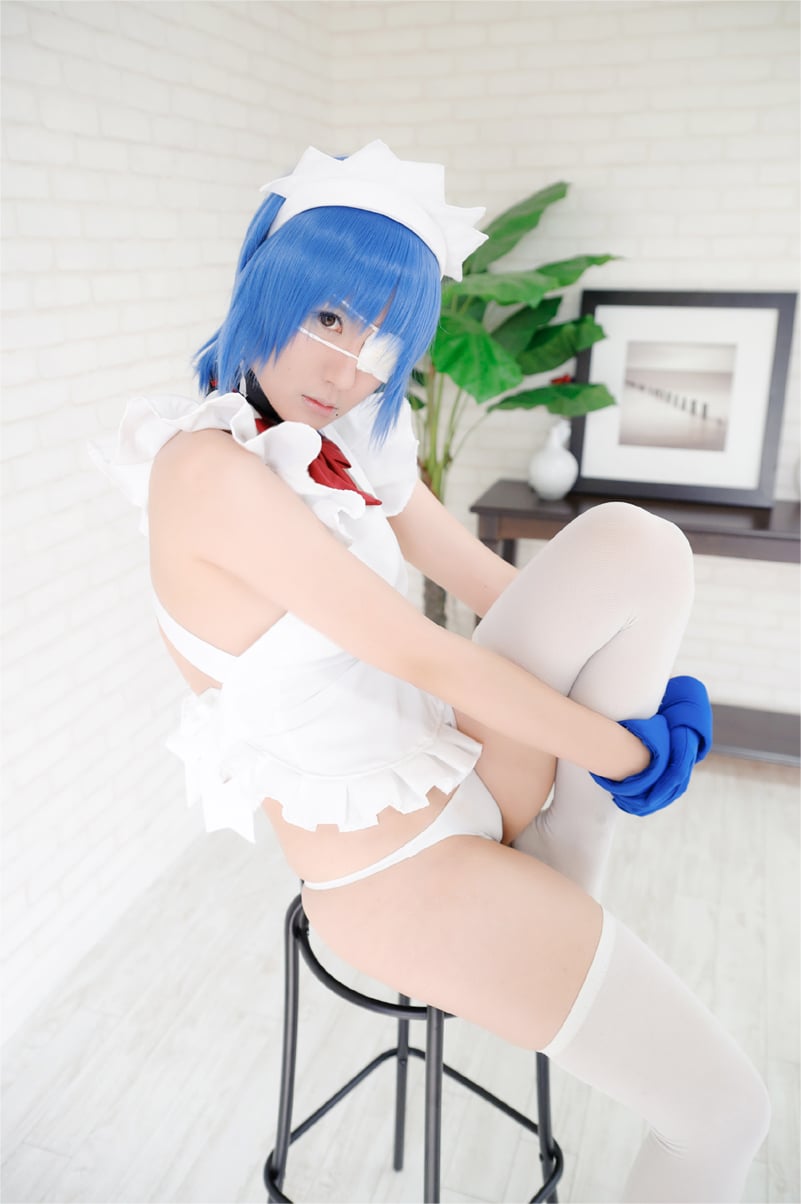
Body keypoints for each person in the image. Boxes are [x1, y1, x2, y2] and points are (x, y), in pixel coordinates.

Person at [92, 140, 769, 1202]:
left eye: (383, 340)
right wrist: (624, 748)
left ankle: (568, 854)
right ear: (267, 283)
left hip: (459, 766)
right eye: (328, 317)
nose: (350, 369)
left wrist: (620, 676)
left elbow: (483, 581)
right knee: (728, 1114)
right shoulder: (205, 471)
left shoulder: (348, 432)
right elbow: (419, 648)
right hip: (399, 873)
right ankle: (563, 858)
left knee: (639, 545)